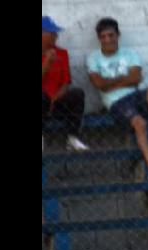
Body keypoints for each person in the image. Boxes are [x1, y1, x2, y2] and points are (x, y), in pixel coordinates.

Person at [86, 17, 148, 182]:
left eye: (111, 35)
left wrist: (111, 82)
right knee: (140, 123)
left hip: (135, 96)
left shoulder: (129, 53)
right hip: (116, 103)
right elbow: (99, 85)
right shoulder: (93, 58)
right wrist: (124, 78)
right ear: (99, 38)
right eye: (104, 36)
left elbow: (136, 78)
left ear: (118, 35)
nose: (108, 40)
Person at [41, 16, 89, 152]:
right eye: (51, 33)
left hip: (54, 103)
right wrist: (47, 63)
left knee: (77, 94)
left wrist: (52, 101)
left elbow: (66, 83)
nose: (56, 36)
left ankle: (72, 138)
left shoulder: (61, 53)